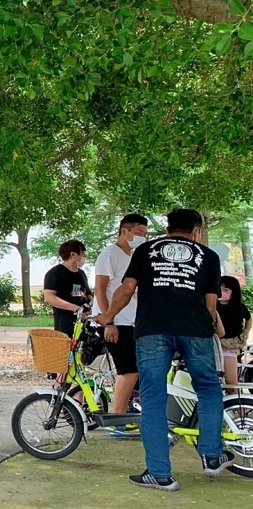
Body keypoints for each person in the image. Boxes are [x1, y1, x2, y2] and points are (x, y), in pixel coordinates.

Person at [97, 209, 232, 491]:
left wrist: (108, 317)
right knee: (208, 388)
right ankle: (212, 455)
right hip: (195, 330)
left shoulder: (145, 251)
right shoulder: (209, 256)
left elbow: (126, 289)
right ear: (196, 231)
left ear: (168, 228)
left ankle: (160, 474)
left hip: (153, 331)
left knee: (153, 396)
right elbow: (210, 305)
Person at [92, 214, 148, 433]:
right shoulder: (110, 254)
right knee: (129, 370)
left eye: (145, 233)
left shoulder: (133, 256)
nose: (142, 237)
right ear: (125, 231)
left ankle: (125, 412)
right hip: (114, 322)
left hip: (130, 321)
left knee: (136, 370)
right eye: (139, 232)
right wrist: (109, 321)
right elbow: (100, 289)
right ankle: (117, 417)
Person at [43, 240, 91, 336]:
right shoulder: (55, 273)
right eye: (82, 253)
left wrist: (91, 304)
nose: (84, 256)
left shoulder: (82, 274)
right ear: (73, 254)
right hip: (65, 324)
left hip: (85, 323)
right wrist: (75, 309)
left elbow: (88, 294)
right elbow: (49, 297)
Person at [217, 276, 251, 386]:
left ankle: (234, 395)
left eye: (226, 289)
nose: (222, 292)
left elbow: (249, 319)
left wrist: (245, 333)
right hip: (215, 344)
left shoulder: (239, 307)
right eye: (220, 288)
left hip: (232, 346)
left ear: (233, 292)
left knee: (231, 381)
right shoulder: (212, 306)